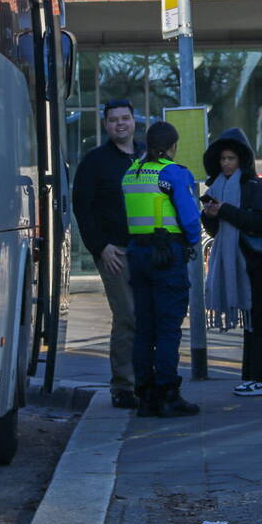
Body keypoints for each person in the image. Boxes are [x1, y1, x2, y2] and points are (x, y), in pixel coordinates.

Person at [123, 121, 202, 417]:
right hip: (166, 254)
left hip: (138, 253)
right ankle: (169, 394)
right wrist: (192, 241)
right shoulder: (173, 173)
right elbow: (190, 218)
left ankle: (145, 396)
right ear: (172, 146)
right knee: (168, 328)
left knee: (144, 328)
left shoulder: (131, 173)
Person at [71, 99, 144, 409]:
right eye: (114, 120)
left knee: (148, 317)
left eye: (125, 118)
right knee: (127, 316)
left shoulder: (147, 156)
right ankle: (124, 386)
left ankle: (145, 380)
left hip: (149, 250)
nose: (120, 124)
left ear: (134, 121)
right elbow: (82, 208)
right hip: (115, 252)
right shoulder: (95, 161)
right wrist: (101, 247)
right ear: (105, 125)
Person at [201, 128, 262, 397]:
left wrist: (224, 210)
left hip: (258, 264)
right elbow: (215, 231)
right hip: (238, 262)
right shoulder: (216, 187)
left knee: (260, 321)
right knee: (250, 323)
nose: (226, 164)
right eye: (223, 159)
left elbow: (260, 221)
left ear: (242, 159)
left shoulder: (256, 186)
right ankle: (252, 377)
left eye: (231, 158)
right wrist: (210, 214)